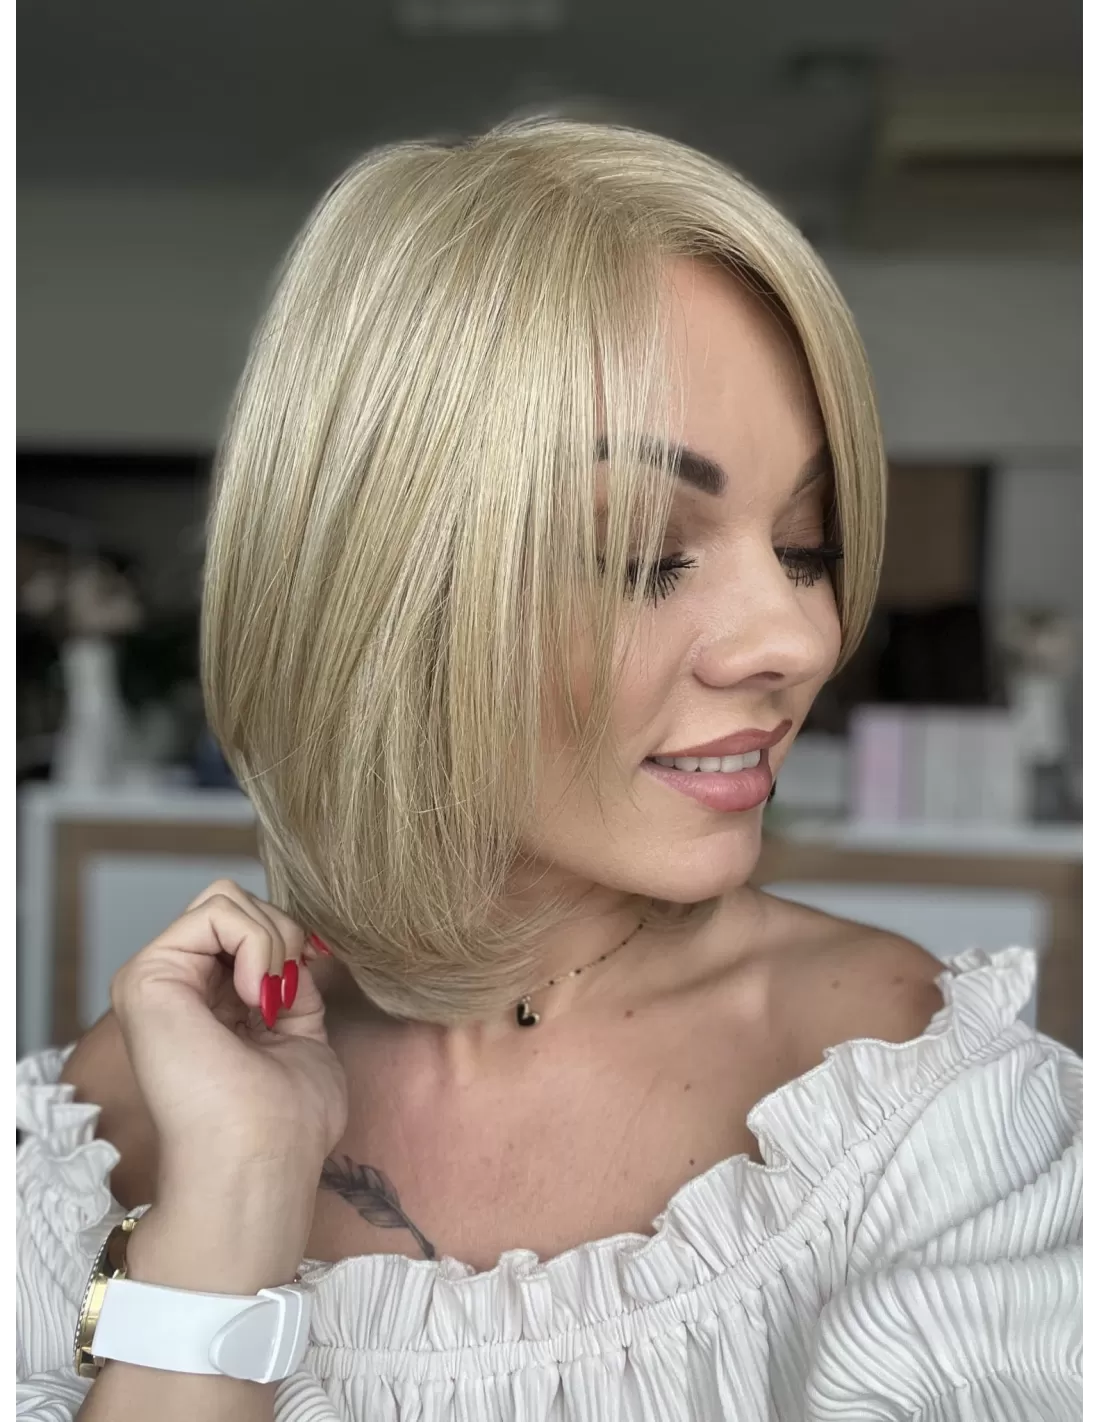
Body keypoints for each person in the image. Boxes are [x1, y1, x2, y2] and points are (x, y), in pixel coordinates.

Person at [16, 118, 1081, 1421]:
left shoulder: (920, 1114)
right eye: (643, 555)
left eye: (808, 543)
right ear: (379, 588)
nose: (801, 638)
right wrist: (229, 1208)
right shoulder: (93, 1140)